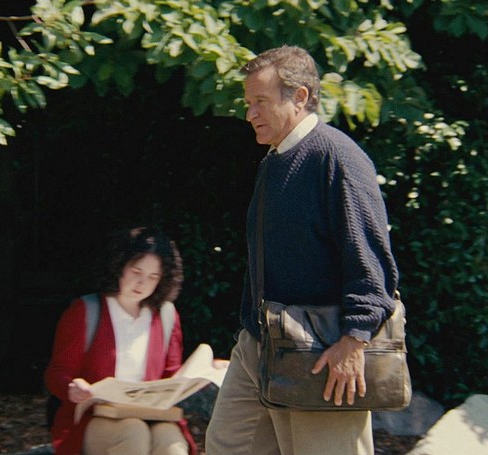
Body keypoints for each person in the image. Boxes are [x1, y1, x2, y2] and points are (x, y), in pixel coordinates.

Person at [205, 45, 400, 455]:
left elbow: (371, 262)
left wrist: (354, 340)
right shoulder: (274, 161)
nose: (250, 114)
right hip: (262, 343)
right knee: (227, 445)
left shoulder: (337, 157)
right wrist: (252, 334)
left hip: (324, 349)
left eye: (260, 101)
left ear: (299, 96)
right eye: (248, 103)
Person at [44, 227, 197, 455]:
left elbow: (171, 376)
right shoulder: (86, 311)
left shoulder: (166, 315)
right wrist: (72, 387)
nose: (142, 283)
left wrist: (199, 373)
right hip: (95, 416)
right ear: (119, 266)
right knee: (133, 434)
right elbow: (57, 373)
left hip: (152, 416)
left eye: (153, 277)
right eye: (136, 272)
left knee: (172, 444)